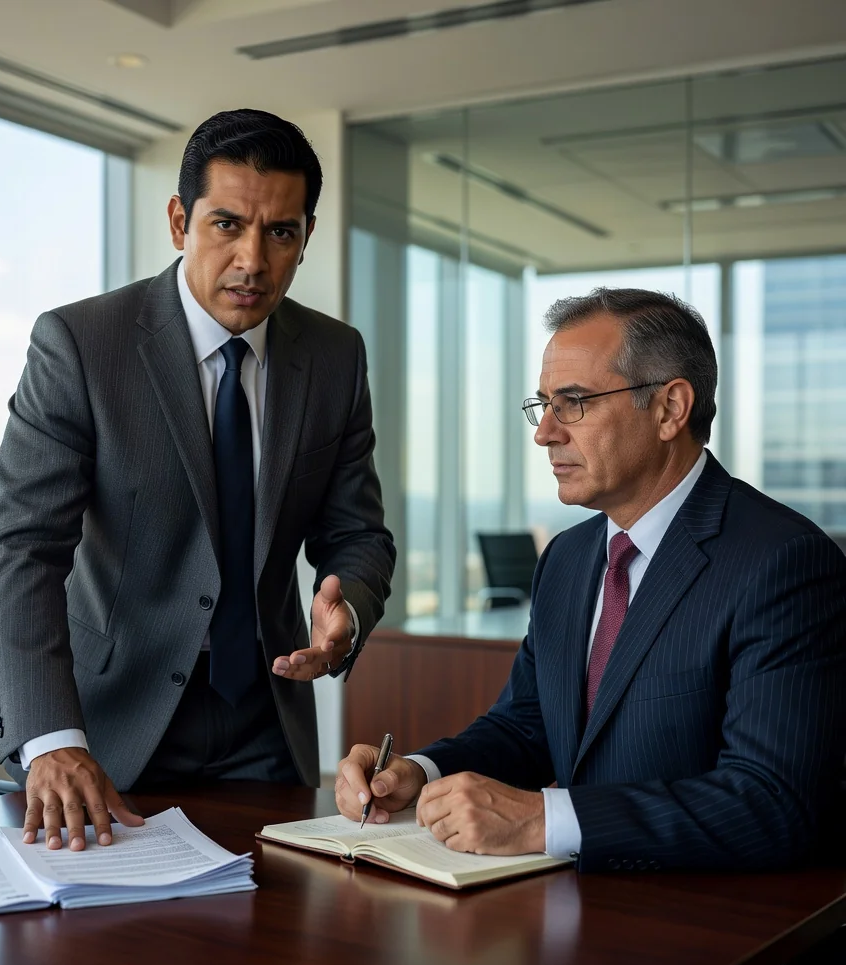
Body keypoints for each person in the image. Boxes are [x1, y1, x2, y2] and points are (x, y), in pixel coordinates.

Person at [0, 109, 395, 852]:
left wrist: (348, 612)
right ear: (180, 220)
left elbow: (356, 532)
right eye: (227, 225)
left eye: (280, 233)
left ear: (305, 235)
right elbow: (19, 550)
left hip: (268, 726)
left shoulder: (335, 356)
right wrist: (50, 739)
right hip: (106, 731)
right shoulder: (80, 345)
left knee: (279, 950)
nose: (252, 262)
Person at [337, 287, 846, 872]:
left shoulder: (783, 562)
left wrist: (541, 819)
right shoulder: (568, 558)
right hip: (572, 916)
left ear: (668, 409)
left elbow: (772, 802)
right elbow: (530, 725)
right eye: (543, 404)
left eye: (573, 402)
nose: (545, 432)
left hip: (710, 925)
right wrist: (420, 773)